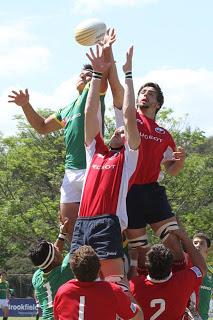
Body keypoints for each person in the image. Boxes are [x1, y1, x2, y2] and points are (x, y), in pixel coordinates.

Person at [8, 29, 123, 240]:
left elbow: (105, 75)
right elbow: (42, 127)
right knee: (69, 228)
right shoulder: (67, 109)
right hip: (71, 171)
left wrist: (107, 51)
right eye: (83, 73)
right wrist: (26, 105)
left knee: (96, 224)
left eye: (90, 74)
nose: (85, 75)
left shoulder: (95, 91)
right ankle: (81, 266)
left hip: (92, 165)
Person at [70, 45, 142, 285]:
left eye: (126, 131)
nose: (120, 130)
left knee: (115, 286)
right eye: (118, 129)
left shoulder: (127, 158)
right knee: (81, 285)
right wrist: (97, 76)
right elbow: (91, 113)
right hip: (83, 222)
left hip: (107, 222)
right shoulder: (96, 152)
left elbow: (129, 115)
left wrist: (128, 74)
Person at [115, 63, 186, 276]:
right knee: (141, 252)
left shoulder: (164, 134)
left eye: (150, 93)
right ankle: (148, 295)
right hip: (129, 193)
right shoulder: (129, 118)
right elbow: (117, 91)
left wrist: (180, 161)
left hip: (152, 191)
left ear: (157, 104)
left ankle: (183, 294)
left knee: (174, 244)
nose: (145, 94)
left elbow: (171, 170)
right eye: (142, 92)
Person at [129, 228, 207, 320]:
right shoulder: (182, 282)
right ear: (171, 266)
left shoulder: (135, 285)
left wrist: (133, 261)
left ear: (147, 266)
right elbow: (202, 268)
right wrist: (185, 238)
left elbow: (129, 280)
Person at [54, 245, 143, 320]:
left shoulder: (62, 291)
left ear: (73, 269)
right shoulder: (113, 290)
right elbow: (138, 317)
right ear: (99, 269)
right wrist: (125, 289)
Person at [29, 218, 74, 320]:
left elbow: (51, 257)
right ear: (53, 260)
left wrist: (62, 235)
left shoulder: (36, 277)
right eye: (56, 250)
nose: (58, 249)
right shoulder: (65, 271)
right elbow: (78, 245)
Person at [192, 233, 213, 320]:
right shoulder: (184, 267)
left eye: (201, 243)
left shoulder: (211, 272)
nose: (198, 246)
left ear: (207, 250)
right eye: (195, 243)